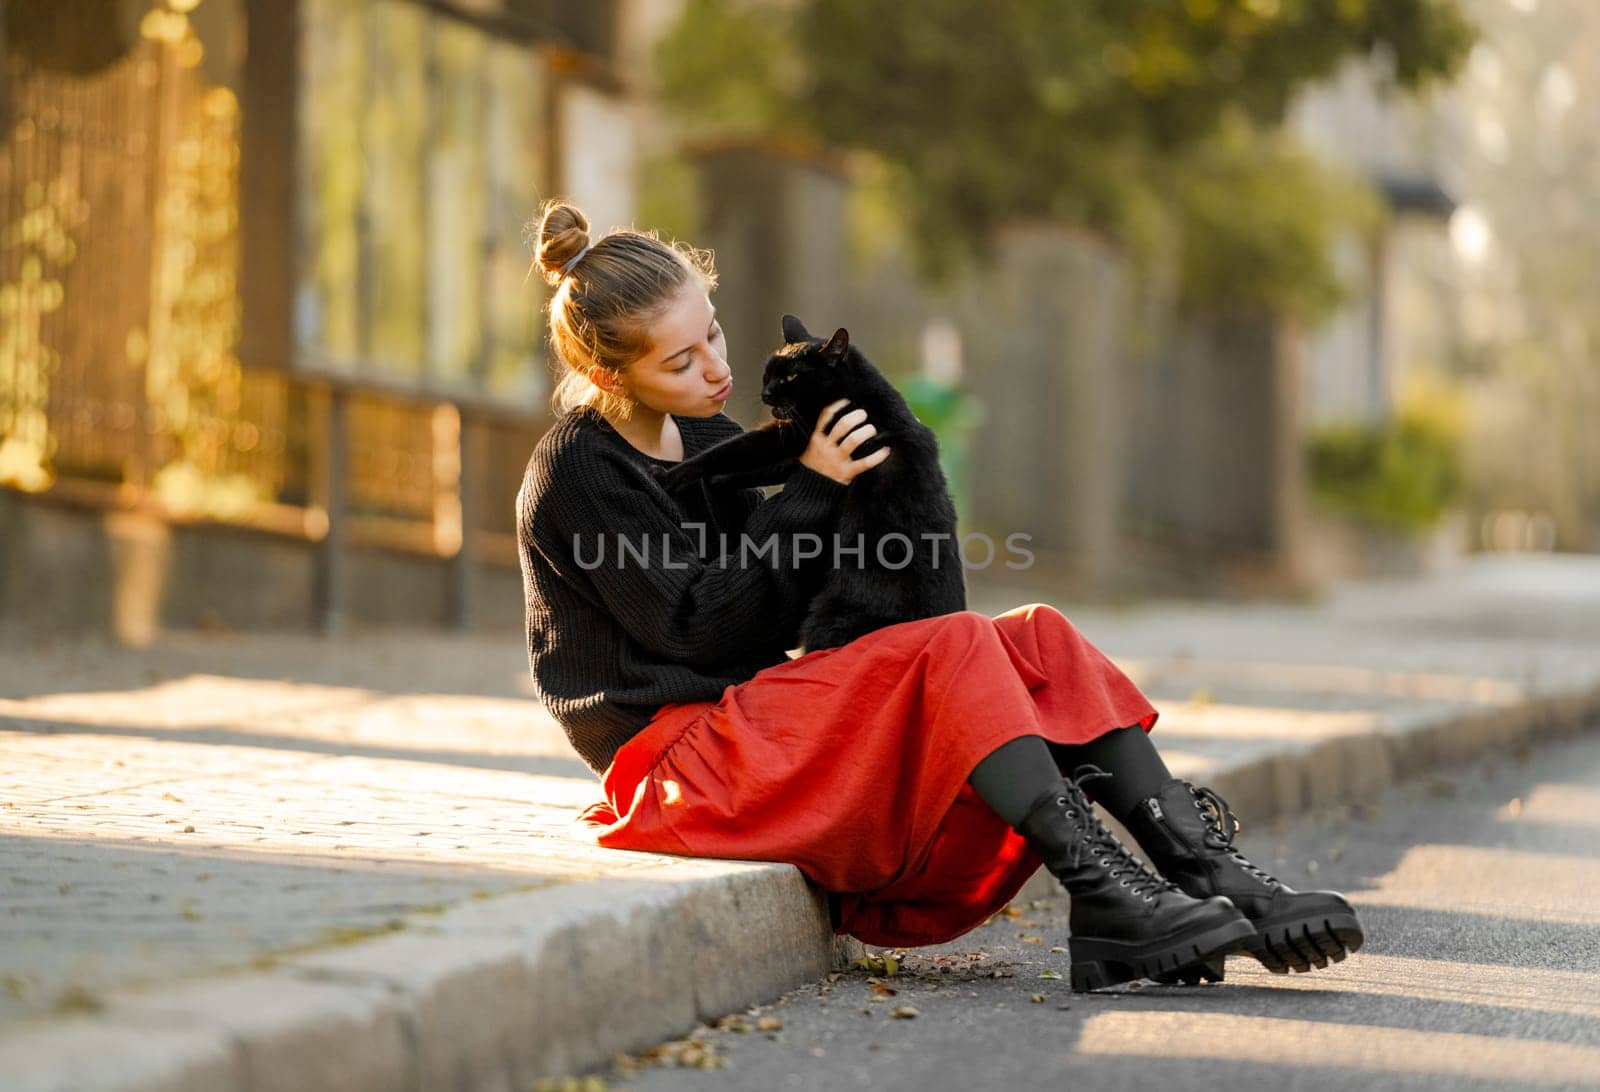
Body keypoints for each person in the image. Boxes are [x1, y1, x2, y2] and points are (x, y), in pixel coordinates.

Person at [515, 199, 1363, 990]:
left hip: (753, 720)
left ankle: (1204, 873)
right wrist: (810, 490)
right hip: (681, 765)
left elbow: (774, 596)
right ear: (609, 374)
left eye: (714, 334)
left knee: (1036, 636)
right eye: (682, 360)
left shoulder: (703, 431)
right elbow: (699, 628)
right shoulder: (578, 471)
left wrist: (861, 499)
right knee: (958, 641)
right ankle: (1104, 890)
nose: (717, 368)